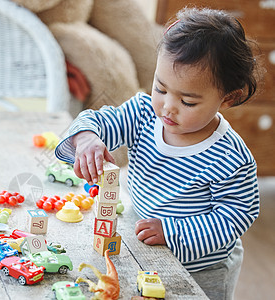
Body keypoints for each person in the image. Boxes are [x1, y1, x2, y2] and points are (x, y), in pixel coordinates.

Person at [55, 7, 263, 300]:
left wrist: (173, 232)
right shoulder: (142, 114)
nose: (167, 107)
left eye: (188, 101)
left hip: (202, 269)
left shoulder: (231, 157)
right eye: (160, 88)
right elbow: (99, 120)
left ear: (227, 99)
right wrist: (87, 139)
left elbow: (236, 215)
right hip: (145, 247)